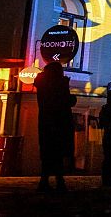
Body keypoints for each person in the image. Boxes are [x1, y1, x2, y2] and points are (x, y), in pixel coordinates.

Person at [34, 61, 76, 192]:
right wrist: (67, 89)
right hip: (59, 123)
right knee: (57, 153)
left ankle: (45, 181)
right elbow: (65, 101)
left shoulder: (43, 85)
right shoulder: (57, 84)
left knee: (48, 154)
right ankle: (58, 181)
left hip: (46, 123)